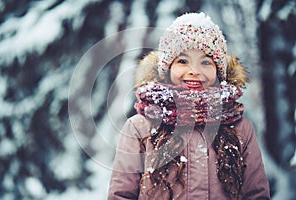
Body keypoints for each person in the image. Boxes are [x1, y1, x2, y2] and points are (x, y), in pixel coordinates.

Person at [108, 12, 270, 200]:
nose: (194, 71)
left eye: (205, 62)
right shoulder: (139, 127)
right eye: (183, 61)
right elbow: (121, 195)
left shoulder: (241, 129)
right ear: (167, 69)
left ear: (218, 71)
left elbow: (256, 195)